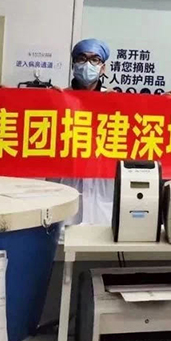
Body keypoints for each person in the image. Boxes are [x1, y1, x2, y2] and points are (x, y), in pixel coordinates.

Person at [50, 38, 113, 226]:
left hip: (101, 183)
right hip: (64, 180)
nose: (87, 64)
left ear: (103, 68)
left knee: (100, 236)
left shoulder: (114, 100)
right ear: (73, 64)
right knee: (63, 234)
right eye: (82, 58)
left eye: (95, 60)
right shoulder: (57, 98)